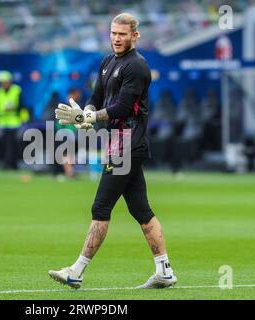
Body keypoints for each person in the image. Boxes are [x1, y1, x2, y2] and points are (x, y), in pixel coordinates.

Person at [50, 13, 177, 289]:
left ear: (135, 36)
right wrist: (86, 113)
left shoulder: (138, 66)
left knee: (101, 207)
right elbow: (97, 98)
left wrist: (92, 119)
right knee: (142, 210)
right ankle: (165, 271)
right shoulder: (108, 62)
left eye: (122, 34)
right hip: (119, 142)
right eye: (113, 33)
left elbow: (123, 106)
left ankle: (76, 271)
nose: (117, 39)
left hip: (129, 145)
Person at [0, 71, 23, 170]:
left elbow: (21, 106)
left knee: (12, 145)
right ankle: (6, 163)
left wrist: (22, 119)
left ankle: (12, 164)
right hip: (2, 122)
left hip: (14, 122)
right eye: (1, 82)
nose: (3, 84)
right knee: (4, 144)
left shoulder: (16, 90)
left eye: (4, 82)